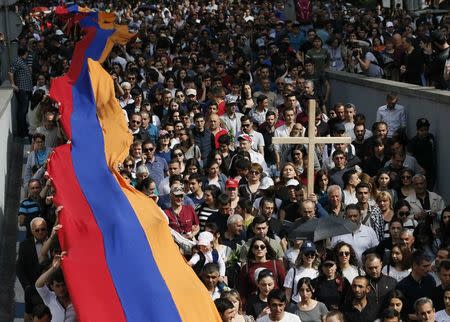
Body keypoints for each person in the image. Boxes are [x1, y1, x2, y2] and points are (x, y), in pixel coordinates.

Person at [35, 252, 77, 322]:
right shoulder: (50, 298)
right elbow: (38, 285)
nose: (61, 289)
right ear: (52, 287)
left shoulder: (76, 301)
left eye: (63, 285)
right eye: (57, 286)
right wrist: (53, 268)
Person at [397, 251, 436, 318]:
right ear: (414, 265)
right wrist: (412, 316)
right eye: (425, 266)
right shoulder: (402, 286)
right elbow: (399, 311)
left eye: (429, 265)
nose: (429, 269)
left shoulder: (430, 280)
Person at [9, 47, 33, 137]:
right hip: (22, 89)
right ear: (24, 53)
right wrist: (13, 84)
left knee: (25, 110)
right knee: (22, 111)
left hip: (27, 89)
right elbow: (10, 72)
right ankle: (21, 132)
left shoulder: (24, 61)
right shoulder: (18, 61)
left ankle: (24, 130)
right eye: (27, 53)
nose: (28, 55)